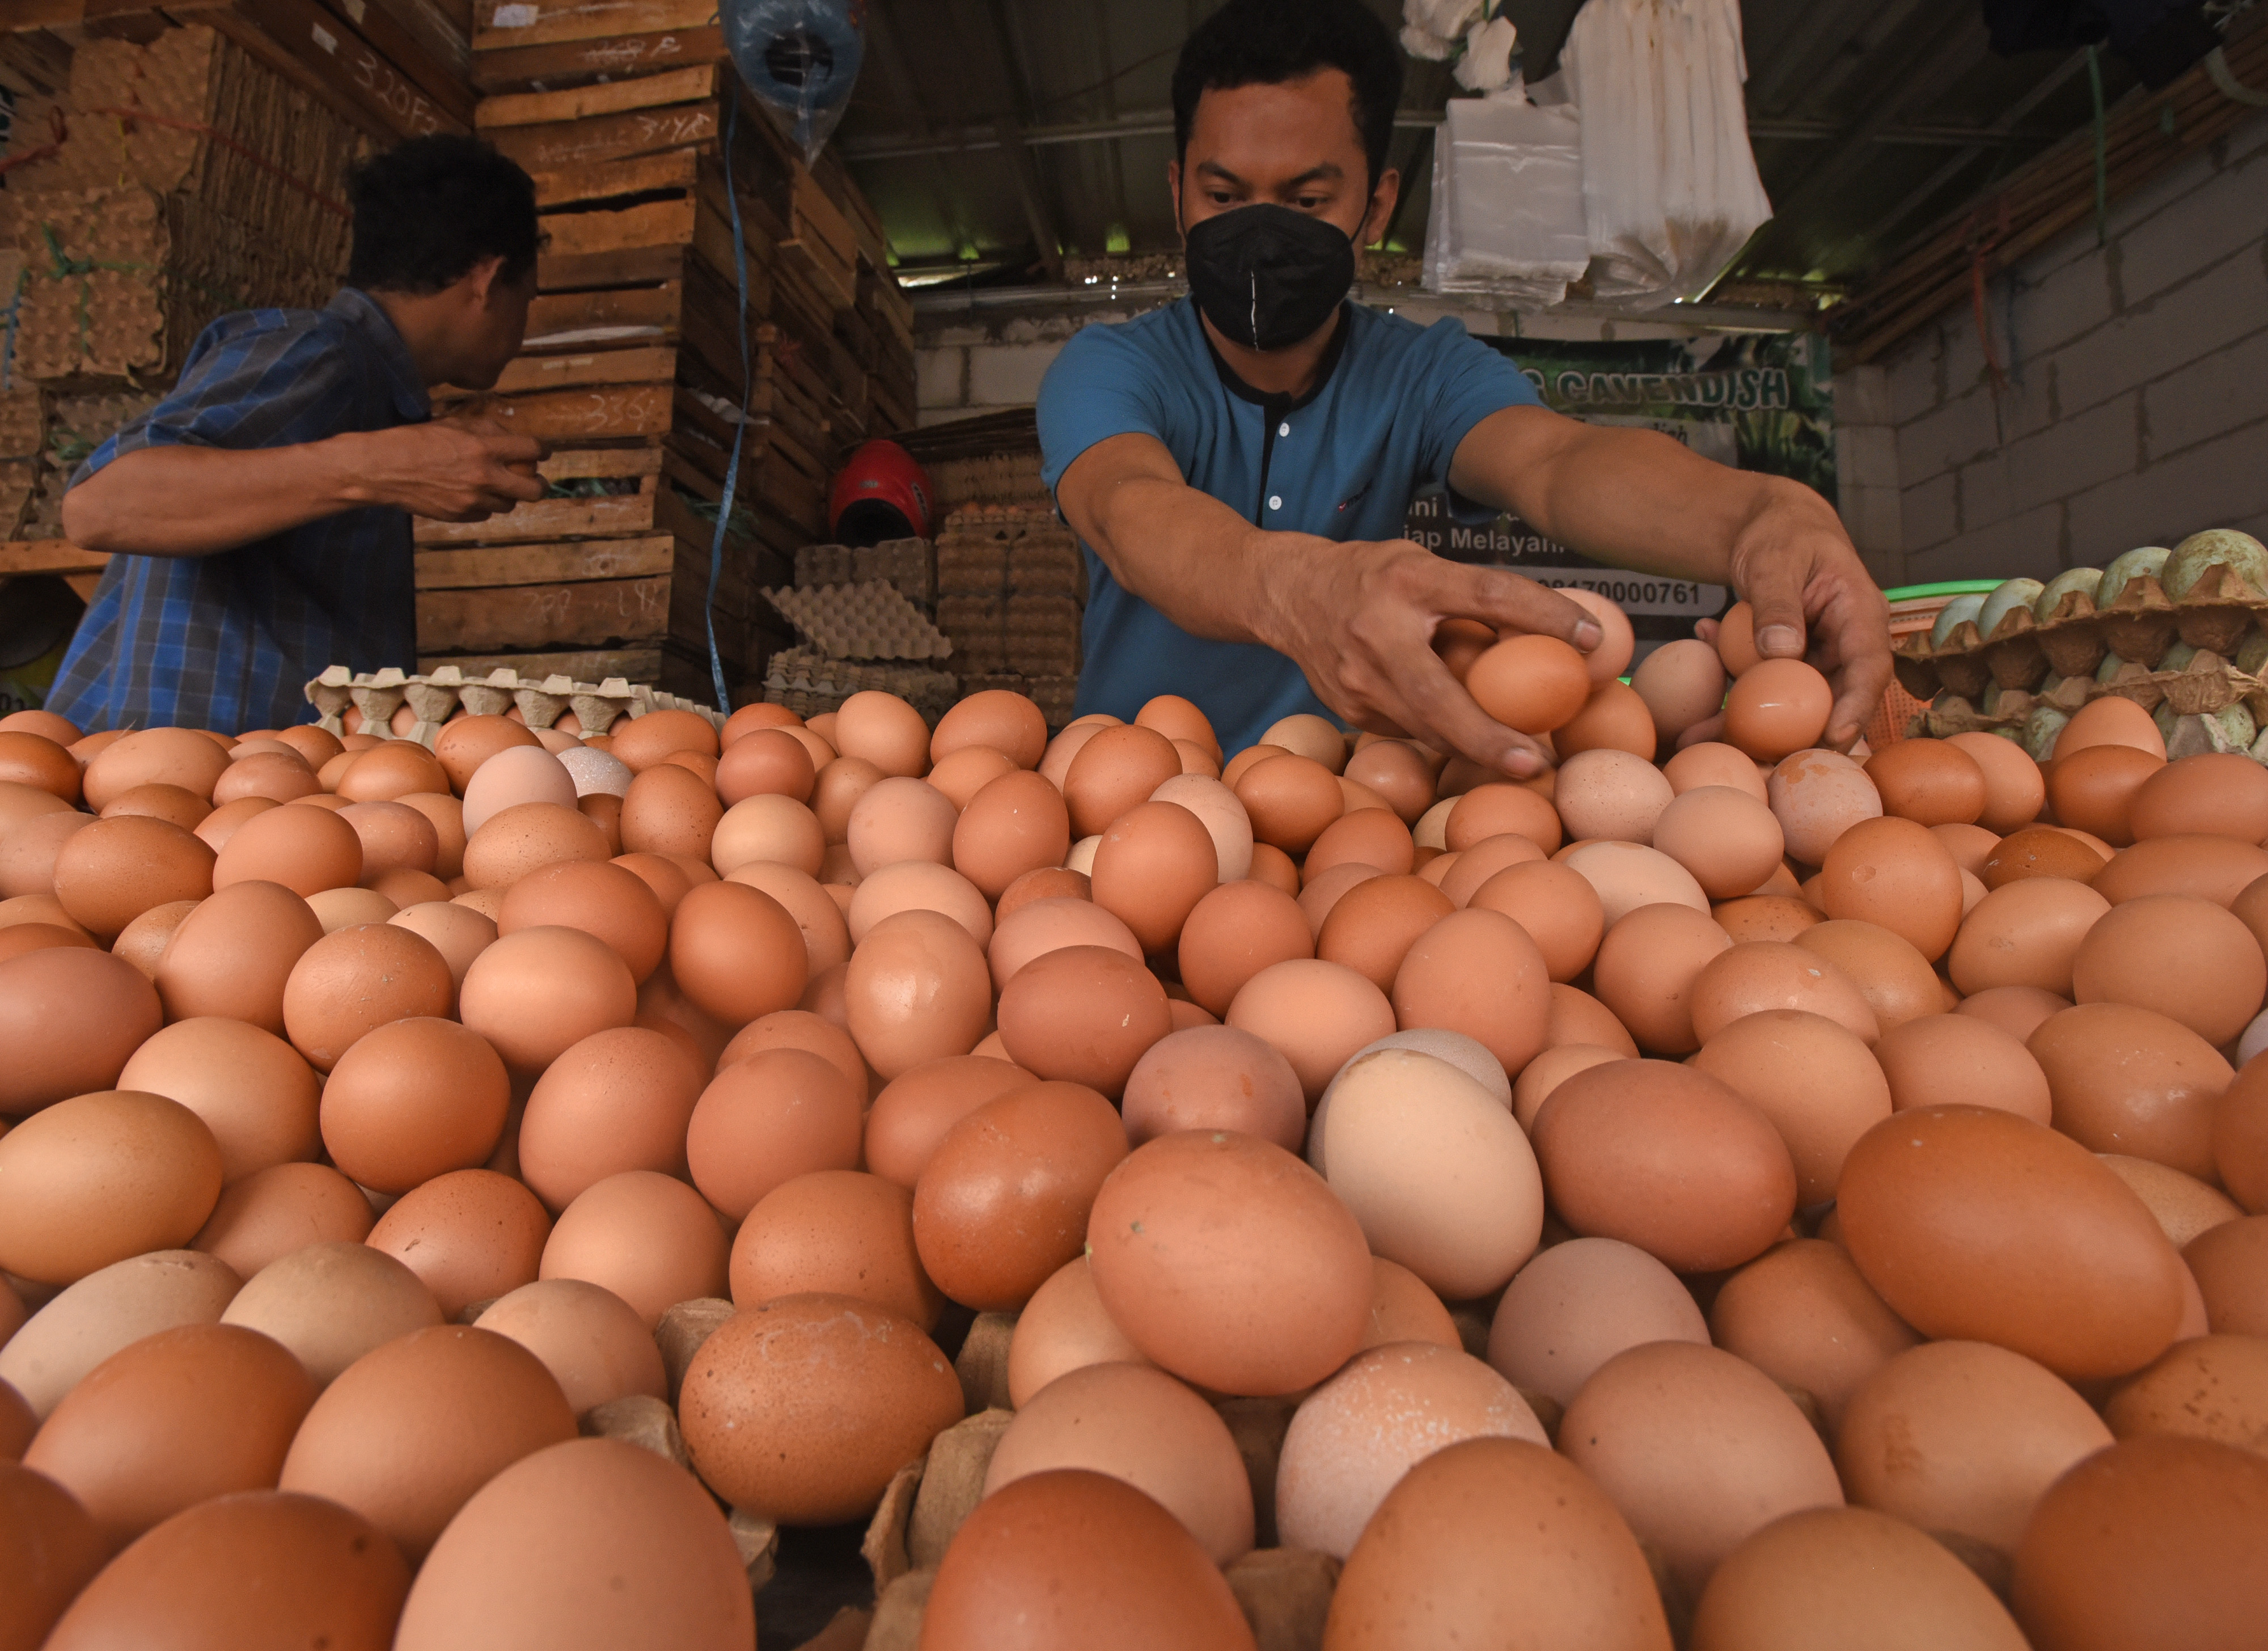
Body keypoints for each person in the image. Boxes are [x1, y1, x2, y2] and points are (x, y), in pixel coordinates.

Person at [1038, 0, 1892, 772]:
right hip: (1127, 807)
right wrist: (1295, 586)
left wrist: (1760, 518)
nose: (1261, 231)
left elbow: (1557, 464)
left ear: (1375, 208)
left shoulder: (1422, 371)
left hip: (1351, 811)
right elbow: (1128, 509)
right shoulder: (1112, 367)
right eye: (1225, 194)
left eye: (1306, 201)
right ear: (1178, 195)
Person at [50, 134, 549, 733]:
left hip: (248, 776)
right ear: (488, 280)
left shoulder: (375, 393)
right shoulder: (320, 351)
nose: (523, 324)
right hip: (174, 771)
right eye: (528, 297)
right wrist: (377, 466)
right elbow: (98, 506)